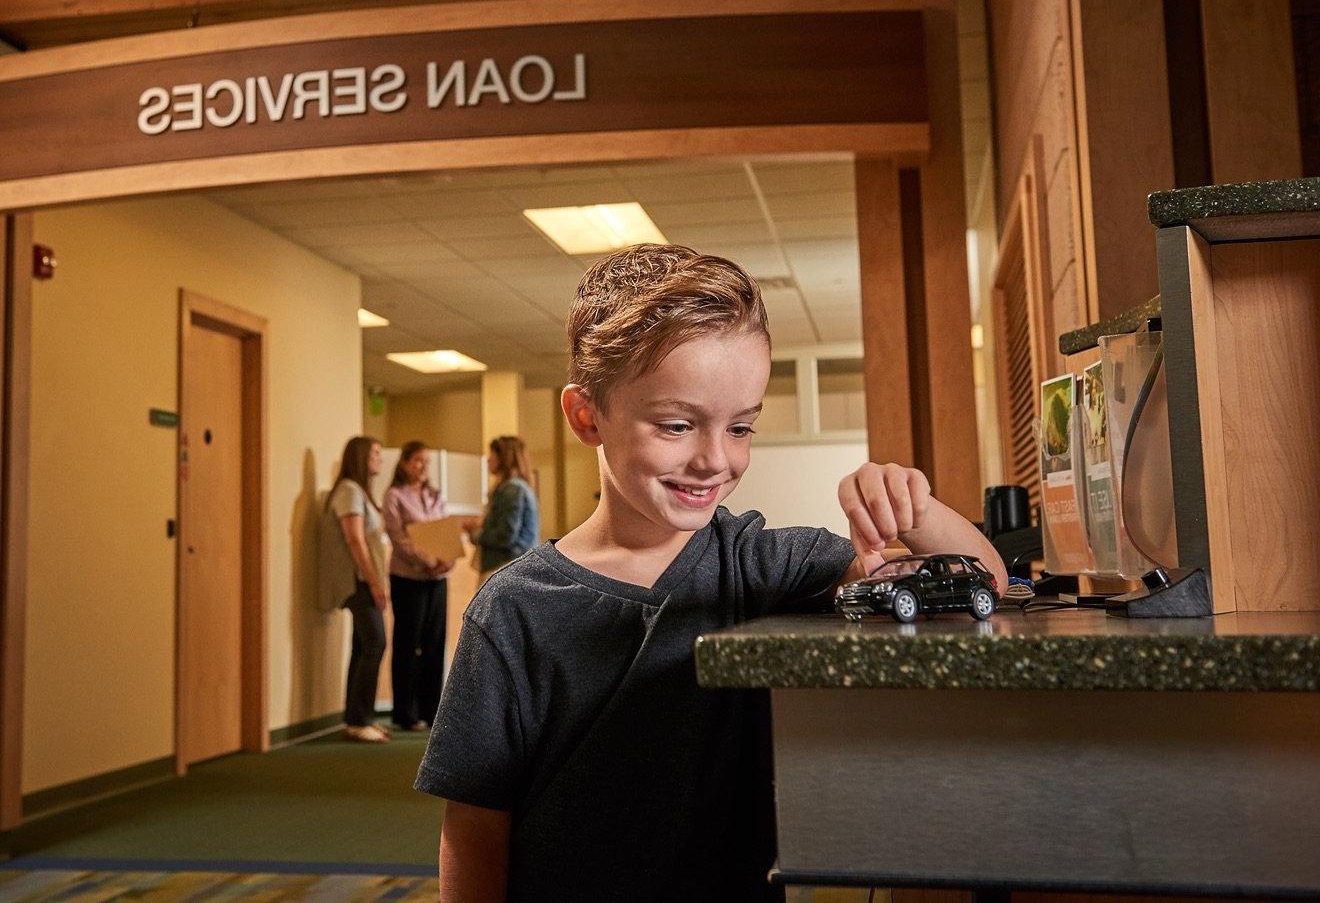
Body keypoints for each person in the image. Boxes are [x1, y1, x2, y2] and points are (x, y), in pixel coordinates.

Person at [415, 245, 1007, 901]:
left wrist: (909, 503)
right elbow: (473, 825)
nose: (714, 459)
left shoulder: (764, 565)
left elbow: (985, 581)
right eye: (676, 425)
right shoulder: (514, 608)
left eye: (742, 428)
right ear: (588, 416)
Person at [323, 435, 393, 744]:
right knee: (375, 644)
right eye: (376, 453)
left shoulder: (359, 492)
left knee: (363, 647)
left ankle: (356, 719)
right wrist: (375, 583)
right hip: (359, 581)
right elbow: (355, 540)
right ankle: (359, 718)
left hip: (366, 580)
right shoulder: (350, 490)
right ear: (362, 457)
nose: (380, 458)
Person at [381, 441, 453, 732]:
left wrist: (447, 561)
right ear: (404, 463)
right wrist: (426, 560)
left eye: (427, 462)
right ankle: (406, 713)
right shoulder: (394, 496)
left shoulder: (435, 496)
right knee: (408, 644)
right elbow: (399, 539)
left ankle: (432, 710)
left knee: (436, 643)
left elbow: (446, 533)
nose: (423, 467)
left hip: (437, 579)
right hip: (407, 578)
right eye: (418, 462)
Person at [465, 436, 539, 584]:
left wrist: (476, 533)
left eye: (492, 455)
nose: (488, 460)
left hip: (505, 567)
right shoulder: (514, 488)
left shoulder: (511, 489)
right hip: (509, 567)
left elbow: (505, 535)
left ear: (503, 458)